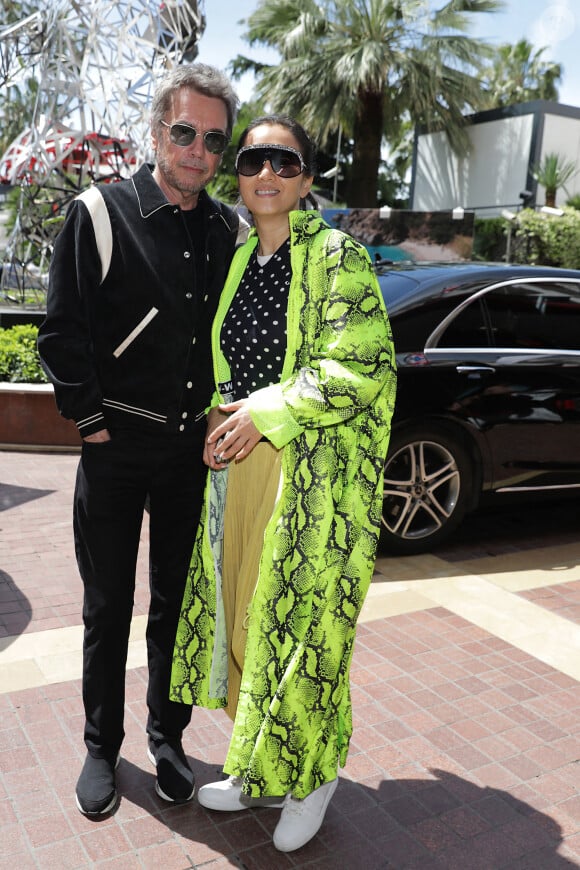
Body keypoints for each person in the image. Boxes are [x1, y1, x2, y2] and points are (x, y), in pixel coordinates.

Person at [170, 115, 397, 852]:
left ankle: (314, 776)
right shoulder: (240, 261)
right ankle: (261, 765)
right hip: (240, 470)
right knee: (246, 620)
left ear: (305, 178)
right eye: (252, 159)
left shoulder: (338, 256)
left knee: (304, 630)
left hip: (312, 476)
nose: (266, 173)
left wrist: (265, 413)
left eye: (284, 161)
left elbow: (358, 367)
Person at [37, 63, 247, 816]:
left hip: (191, 453)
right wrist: (92, 425)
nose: (197, 150)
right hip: (114, 450)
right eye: (184, 132)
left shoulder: (229, 229)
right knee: (106, 605)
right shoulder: (98, 213)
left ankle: (167, 738)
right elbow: (61, 333)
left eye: (213, 139)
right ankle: (100, 746)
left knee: (176, 606)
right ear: (157, 131)